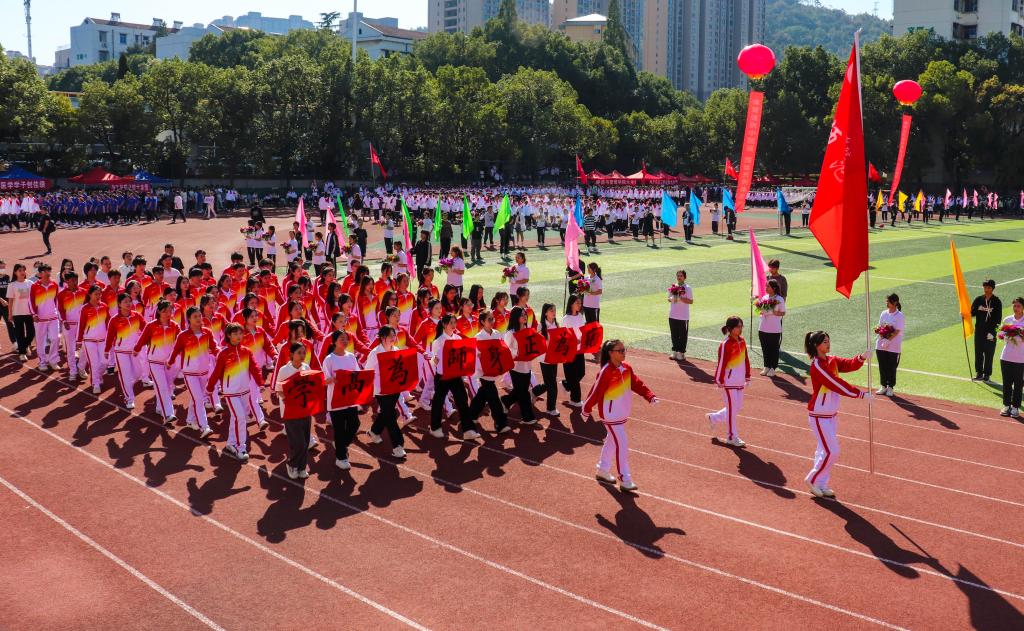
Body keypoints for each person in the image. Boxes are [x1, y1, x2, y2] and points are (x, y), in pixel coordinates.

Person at [804, 330, 871, 498]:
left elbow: (849, 365)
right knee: (832, 451)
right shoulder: (818, 366)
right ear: (816, 345)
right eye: (824, 342)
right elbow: (835, 383)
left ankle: (821, 483)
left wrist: (861, 358)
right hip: (819, 416)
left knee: (823, 451)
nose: (828, 344)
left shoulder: (831, 360)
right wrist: (860, 394)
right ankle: (812, 479)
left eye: (828, 341)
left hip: (831, 415)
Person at [584, 339, 657, 492]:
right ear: (611, 353)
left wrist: (649, 396)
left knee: (612, 441)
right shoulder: (605, 372)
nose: (624, 353)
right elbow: (596, 392)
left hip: (621, 413)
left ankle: (602, 469)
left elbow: (636, 383)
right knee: (622, 444)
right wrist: (586, 409)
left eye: (624, 350)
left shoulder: (626, 368)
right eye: (620, 350)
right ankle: (625, 479)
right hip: (610, 416)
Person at [208, 323, 263, 461]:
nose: (239, 336)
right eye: (235, 334)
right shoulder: (223, 354)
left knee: (236, 418)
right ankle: (240, 447)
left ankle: (231, 443)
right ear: (228, 335)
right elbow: (216, 372)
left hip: (245, 391)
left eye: (240, 333)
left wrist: (260, 382)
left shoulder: (247, 351)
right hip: (230, 392)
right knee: (241, 418)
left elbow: (255, 368)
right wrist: (210, 387)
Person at [168, 307, 218, 437]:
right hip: (190, 373)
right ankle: (204, 427)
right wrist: (170, 362)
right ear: (189, 319)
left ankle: (190, 420)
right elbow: (175, 350)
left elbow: (214, 347)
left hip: (204, 372)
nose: (198, 318)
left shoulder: (207, 332)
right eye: (195, 316)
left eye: (199, 316)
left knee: (196, 398)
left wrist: (220, 355)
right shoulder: (183, 335)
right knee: (199, 399)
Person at [428, 315, 478, 439]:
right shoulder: (438, 341)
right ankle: (435, 428)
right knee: (438, 402)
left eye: (455, 322)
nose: (454, 325)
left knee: (462, 400)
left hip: (455, 375)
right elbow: (433, 360)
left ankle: (468, 430)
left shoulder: (458, 338)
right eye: (451, 323)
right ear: (444, 325)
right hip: (442, 376)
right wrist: (435, 360)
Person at [363, 326, 409, 457]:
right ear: (383, 338)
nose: (394, 338)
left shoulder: (396, 350)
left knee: (387, 413)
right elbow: (367, 372)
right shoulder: (375, 353)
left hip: (394, 388)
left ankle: (374, 431)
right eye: (391, 336)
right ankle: (398, 445)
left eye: (394, 335)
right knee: (390, 416)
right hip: (381, 390)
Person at [706, 316, 751, 447]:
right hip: (728, 382)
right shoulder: (725, 344)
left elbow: (745, 359)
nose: (740, 329)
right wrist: (719, 379)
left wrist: (747, 375)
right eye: (738, 326)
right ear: (730, 328)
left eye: (741, 326)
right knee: (732, 410)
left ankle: (714, 418)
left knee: (737, 407)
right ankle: (731, 437)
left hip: (739, 381)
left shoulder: (742, 341)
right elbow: (721, 363)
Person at [134, 300, 181, 424]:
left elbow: (180, 342)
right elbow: (142, 339)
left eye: (170, 311)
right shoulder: (151, 326)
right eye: (165, 311)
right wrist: (136, 349)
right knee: (163, 387)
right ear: (159, 311)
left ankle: (160, 407)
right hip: (155, 361)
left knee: (168, 386)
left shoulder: (175, 326)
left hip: (170, 362)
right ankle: (169, 414)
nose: (168, 313)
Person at [323, 330, 363, 469]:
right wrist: (333, 379)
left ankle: (341, 444)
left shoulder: (351, 356)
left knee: (355, 424)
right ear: (334, 342)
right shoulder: (329, 359)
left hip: (350, 399)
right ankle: (341, 458)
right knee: (339, 429)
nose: (345, 341)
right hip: (336, 401)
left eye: (346, 339)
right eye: (342, 339)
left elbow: (357, 374)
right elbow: (324, 380)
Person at [467, 309, 510, 433]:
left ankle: (471, 414)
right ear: (482, 321)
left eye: (493, 319)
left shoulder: (497, 333)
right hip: (484, 371)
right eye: (489, 319)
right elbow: (475, 355)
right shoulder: (478, 337)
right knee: (493, 396)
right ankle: (500, 423)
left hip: (494, 368)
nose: (492, 321)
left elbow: (502, 349)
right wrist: (479, 357)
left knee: (483, 394)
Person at [274, 342, 313, 479]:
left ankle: (302, 467)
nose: (302, 355)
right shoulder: (284, 370)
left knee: (306, 441)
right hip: (291, 412)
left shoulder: (306, 367)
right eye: (299, 353)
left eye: (304, 353)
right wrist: (287, 399)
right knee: (299, 443)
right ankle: (292, 464)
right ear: (291, 354)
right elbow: (279, 390)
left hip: (305, 410)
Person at [29, 263, 60, 371]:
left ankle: (53, 360)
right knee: (41, 341)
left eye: (49, 271)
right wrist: (34, 314)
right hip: (40, 319)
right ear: (40, 274)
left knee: (55, 338)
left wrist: (57, 313)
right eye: (45, 271)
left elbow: (56, 300)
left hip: (53, 317)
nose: (48, 273)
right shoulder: (34, 286)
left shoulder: (54, 285)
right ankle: (42, 362)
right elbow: (31, 301)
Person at [971, 279, 1002, 382]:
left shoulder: (997, 302)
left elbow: (998, 320)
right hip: (979, 332)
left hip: (990, 333)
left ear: (992, 289)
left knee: (989, 354)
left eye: (988, 288)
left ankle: (987, 374)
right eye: (985, 287)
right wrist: (965, 313)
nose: (986, 289)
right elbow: (972, 313)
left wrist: (993, 333)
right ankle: (979, 373)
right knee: (978, 353)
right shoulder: (978, 299)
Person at [874, 294, 905, 397]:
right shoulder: (883, 313)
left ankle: (890, 387)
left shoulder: (900, 316)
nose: (886, 303)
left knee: (891, 367)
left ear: (895, 302)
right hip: (881, 345)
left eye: (888, 301)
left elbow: (897, 331)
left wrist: (888, 340)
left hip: (893, 346)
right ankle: (883, 386)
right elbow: (880, 327)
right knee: (882, 366)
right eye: (886, 301)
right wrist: (882, 337)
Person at [998, 297, 1024, 418]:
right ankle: (1006, 405)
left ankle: (1015, 407)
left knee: (1018, 384)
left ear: (1023, 307)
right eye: (1014, 306)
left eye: (1018, 306)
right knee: (1006, 383)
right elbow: (1001, 335)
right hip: (1006, 357)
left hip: (1020, 359)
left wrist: (1020, 333)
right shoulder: (1007, 319)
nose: (1016, 308)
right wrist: (1005, 334)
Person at [756, 279, 786, 377]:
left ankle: (773, 367)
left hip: (774, 329)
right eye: (766, 286)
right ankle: (766, 366)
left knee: (774, 348)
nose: (766, 288)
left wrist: (775, 312)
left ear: (774, 288)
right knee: (765, 348)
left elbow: (783, 312)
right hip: (763, 327)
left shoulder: (779, 299)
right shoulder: (764, 297)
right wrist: (760, 310)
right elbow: (759, 310)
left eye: (768, 286)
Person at [667, 269, 693, 361]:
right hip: (672, 315)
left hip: (683, 316)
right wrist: (675, 296)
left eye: (681, 276)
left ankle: (681, 353)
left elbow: (691, 301)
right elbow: (669, 299)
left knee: (683, 336)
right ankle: (674, 352)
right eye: (678, 275)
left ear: (684, 277)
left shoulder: (688, 288)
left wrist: (680, 298)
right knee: (674, 334)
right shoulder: (673, 287)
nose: (679, 277)